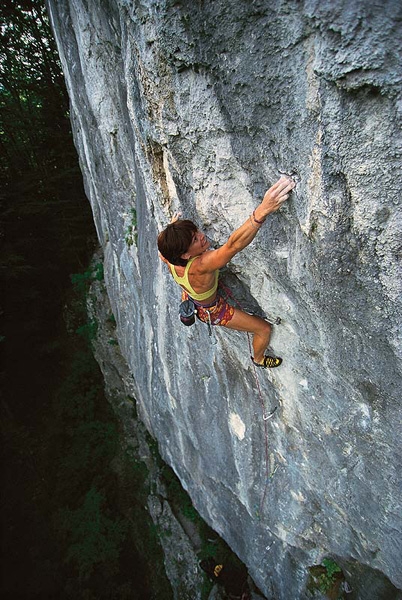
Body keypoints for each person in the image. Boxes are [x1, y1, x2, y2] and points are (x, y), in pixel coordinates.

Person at [157, 175, 295, 368]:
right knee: (263, 329)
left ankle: (188, 305)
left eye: (196, 232)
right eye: (195, 240)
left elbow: (162, 251)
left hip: (190, 292)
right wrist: (263, 210)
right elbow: (232, 246)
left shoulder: (169, 257)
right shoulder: (200, 265)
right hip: (213, 310)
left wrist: (172, 231)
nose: (202, 236)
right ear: (186, 255)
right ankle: (258, 359)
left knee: (192, 290)